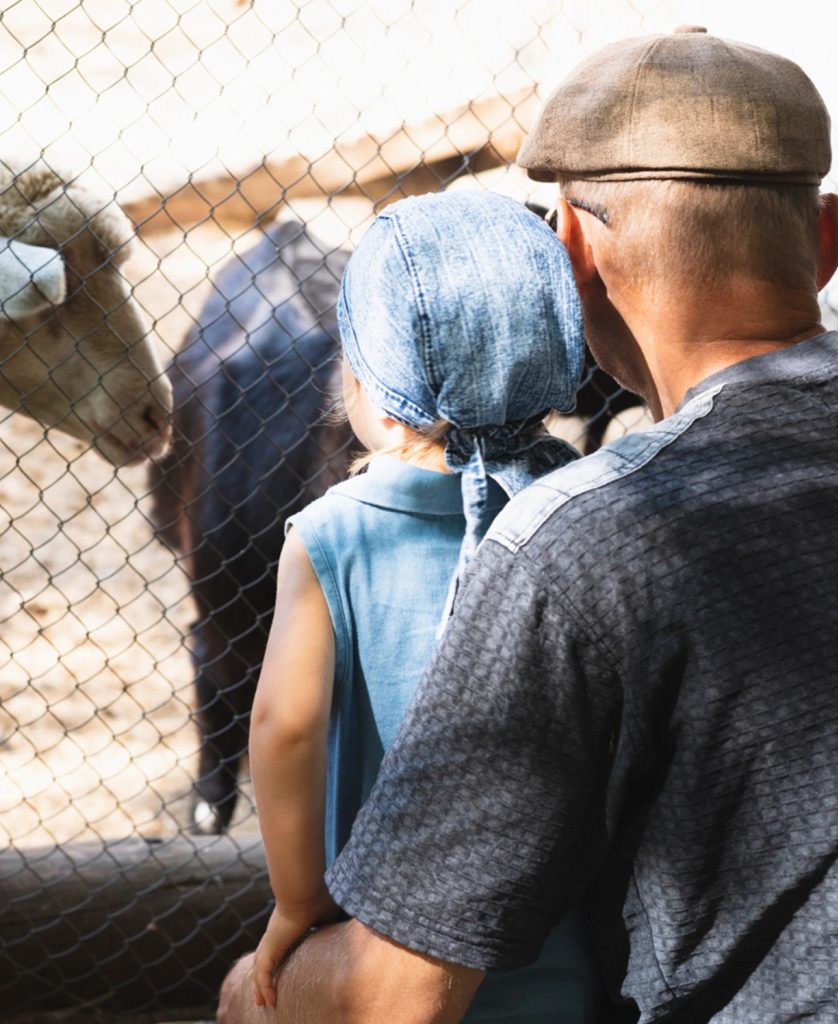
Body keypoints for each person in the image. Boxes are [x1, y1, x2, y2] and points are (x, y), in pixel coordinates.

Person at [218, 26, 838, 1024]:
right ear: (824, 239)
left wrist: (259, 992)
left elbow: (398, 996)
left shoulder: (586, 543)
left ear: (567, 251)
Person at [247, 189, 602, 1022]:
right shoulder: (590, 506)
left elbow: (282, 728)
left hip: (385, 953)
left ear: (371, 386)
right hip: (571, 961)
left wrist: (299, 904)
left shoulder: (333, 536)